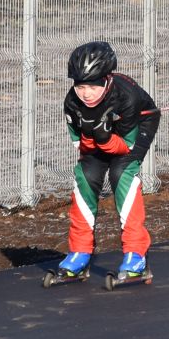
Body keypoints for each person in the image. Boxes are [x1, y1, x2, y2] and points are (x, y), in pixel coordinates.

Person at [51, 40, 160, 282]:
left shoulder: (126, 98)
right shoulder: (72, 103)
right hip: (99, 139)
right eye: (80, 87)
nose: (85, 93)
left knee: (122, 174)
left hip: (137, 127)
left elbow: (124, 147)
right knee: (85, 175)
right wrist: (95, 135)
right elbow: (80, 146)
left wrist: (104, 135)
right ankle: (80, 252)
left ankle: (136, 254)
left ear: (106, 80)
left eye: (92, 86)